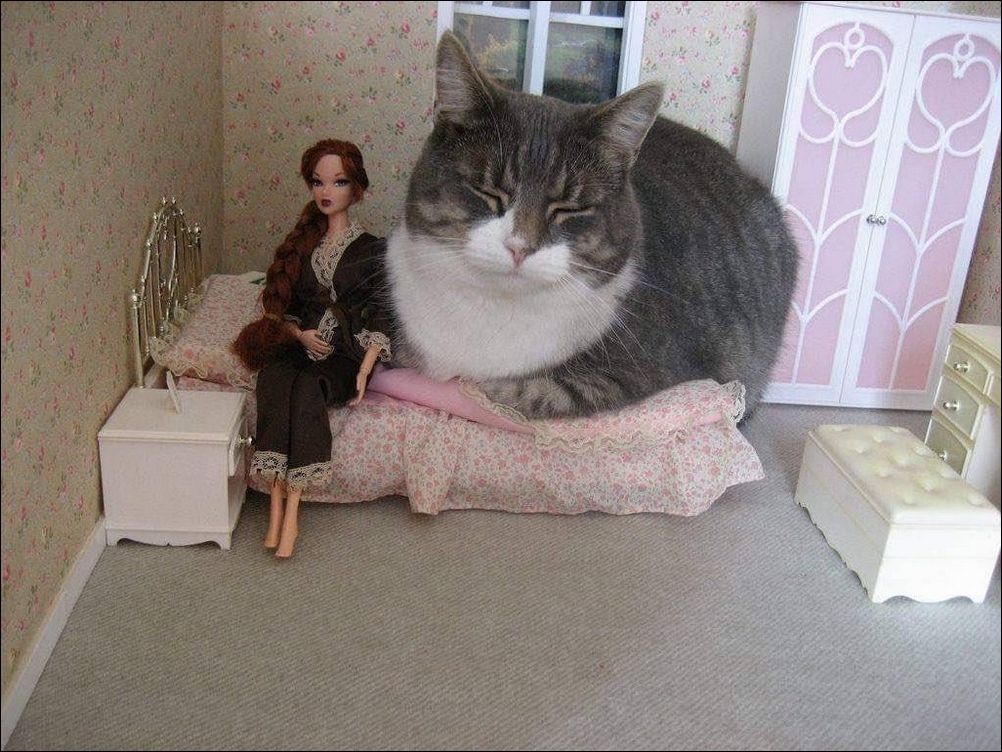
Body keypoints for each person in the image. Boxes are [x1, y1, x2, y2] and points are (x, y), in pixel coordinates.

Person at [233, 139, 391, 559]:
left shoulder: (371, 249)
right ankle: (275, 505)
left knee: (306, 390)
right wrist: (299, 335)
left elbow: (381, 312)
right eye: (318, 182)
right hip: (300, 346)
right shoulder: (304, 246)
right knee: (274, 378)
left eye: (338, 182)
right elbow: (287, 308)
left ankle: (293, 512)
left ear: (356, 189)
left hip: (343, 356)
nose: (326, 191)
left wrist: (365, 369)